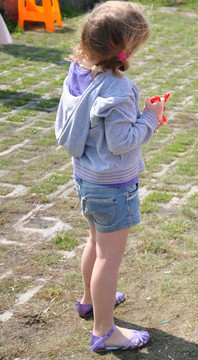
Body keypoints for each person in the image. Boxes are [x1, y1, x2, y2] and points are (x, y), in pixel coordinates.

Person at [55, 1, 165, 352]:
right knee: (108, 257)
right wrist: (151, 116)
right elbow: (121, 142)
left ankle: (90, 300)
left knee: (95, 244)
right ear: (126, 48)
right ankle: (104, 331)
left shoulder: (78, 70)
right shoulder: (117, 89)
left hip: (87, 179)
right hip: (113, 186)